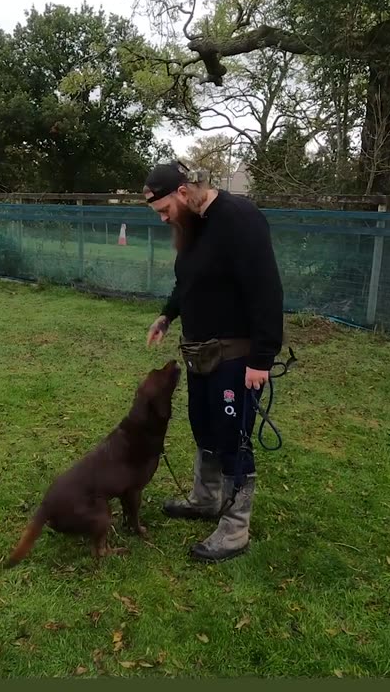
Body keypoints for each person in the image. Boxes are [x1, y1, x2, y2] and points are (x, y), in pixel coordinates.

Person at [143, 161, 284, 562]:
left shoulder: (240, 218)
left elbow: (266, 289)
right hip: (198, 352)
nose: (165, 218)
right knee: (203, 426)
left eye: (165, 210)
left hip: (236, 356)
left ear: (184, 193)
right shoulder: (194, 225)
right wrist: (168, 315)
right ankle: (205, 499)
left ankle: (235, 528)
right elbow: (188, 279)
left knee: (231, 436)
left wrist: (262, 357)